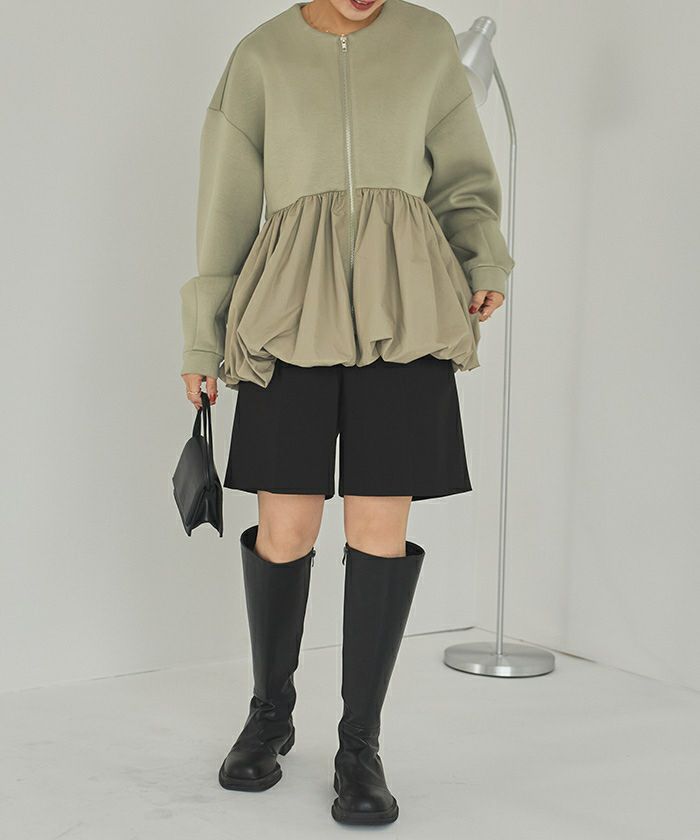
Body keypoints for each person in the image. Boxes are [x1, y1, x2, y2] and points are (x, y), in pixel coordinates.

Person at [179, 0, 514, 826]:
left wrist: (483, 258)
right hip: (288, 312)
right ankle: (270, 716)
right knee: (285, 526)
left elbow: (463, 175)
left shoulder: (427, 41)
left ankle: (360, 745)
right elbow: (226, 206)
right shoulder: (260, 57)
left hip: (406, 310)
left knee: (378, 529)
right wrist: (203, 340)